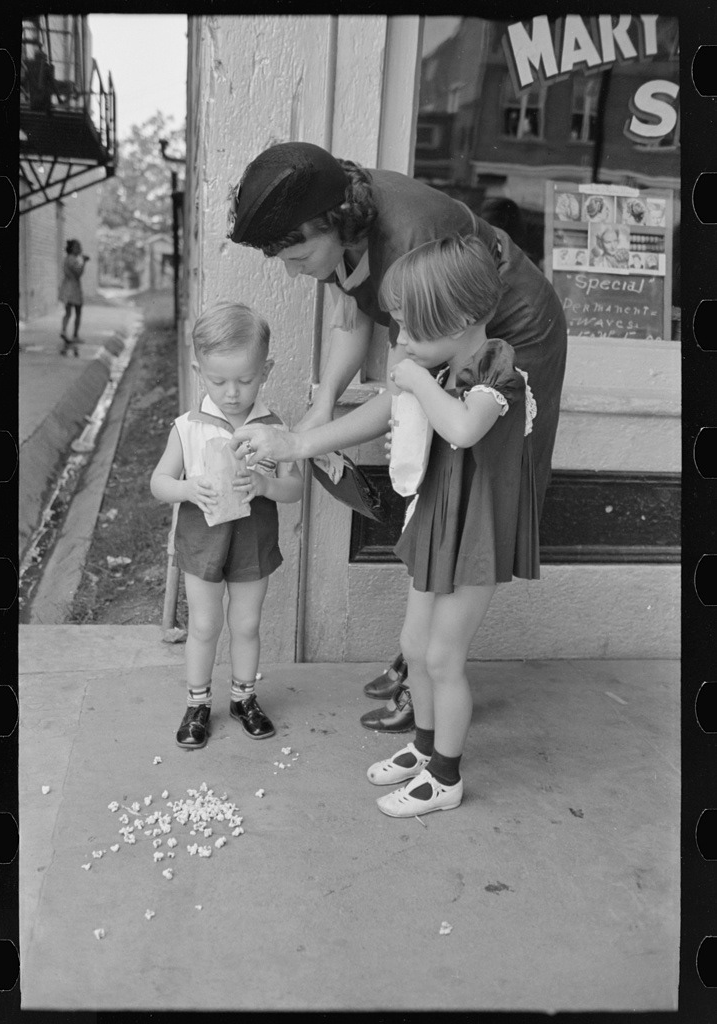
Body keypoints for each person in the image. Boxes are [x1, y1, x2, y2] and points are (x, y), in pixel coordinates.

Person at [225, 141, 566, 733]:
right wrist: (322, 405)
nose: (289, 268)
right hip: (447, 349)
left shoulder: (414, 238)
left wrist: (301, 444)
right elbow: (353, 315)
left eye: (294, 251)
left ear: (331, 222)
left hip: (516, 334)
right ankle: (418, 653)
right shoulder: (340, 217)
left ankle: (431, 665)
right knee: (439, 489)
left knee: (475, 494)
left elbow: (406, 387)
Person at [366, 234, 538, 816]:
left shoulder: (501, 371)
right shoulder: (441, 373)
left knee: (444, 658)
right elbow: (440, 438)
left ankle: (446, 776)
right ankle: (422, 748)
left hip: (476, 538)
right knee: (415, 646)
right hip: (439, 524)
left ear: (463, 317)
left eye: (412, 328)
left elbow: (465, 430)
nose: (403, 342)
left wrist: (414, 383)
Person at [150, 302, 303, 749]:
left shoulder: (273, 430)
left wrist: (265, 483)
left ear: (266, 369)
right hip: (201, 543)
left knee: (247, 623)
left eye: (246, 379)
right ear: (200, 371)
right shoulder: (188, 427)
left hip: (252, 542)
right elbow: (159, 482)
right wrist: (188, 489)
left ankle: (244, 697)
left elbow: (294, 489)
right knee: (203, 624)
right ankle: (197, 703)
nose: (233, 393)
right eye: (218, 381)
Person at [58, 239, 89, 355]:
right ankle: (75, 334)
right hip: (73, 288)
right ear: (72, 248)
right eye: (77, 247)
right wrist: (84, 262)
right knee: (77, 312)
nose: (79, 249)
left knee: (67, 312)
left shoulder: (68, 258)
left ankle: (64, 330)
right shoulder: (73, 259)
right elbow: (78, 273)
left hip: (66, 287)